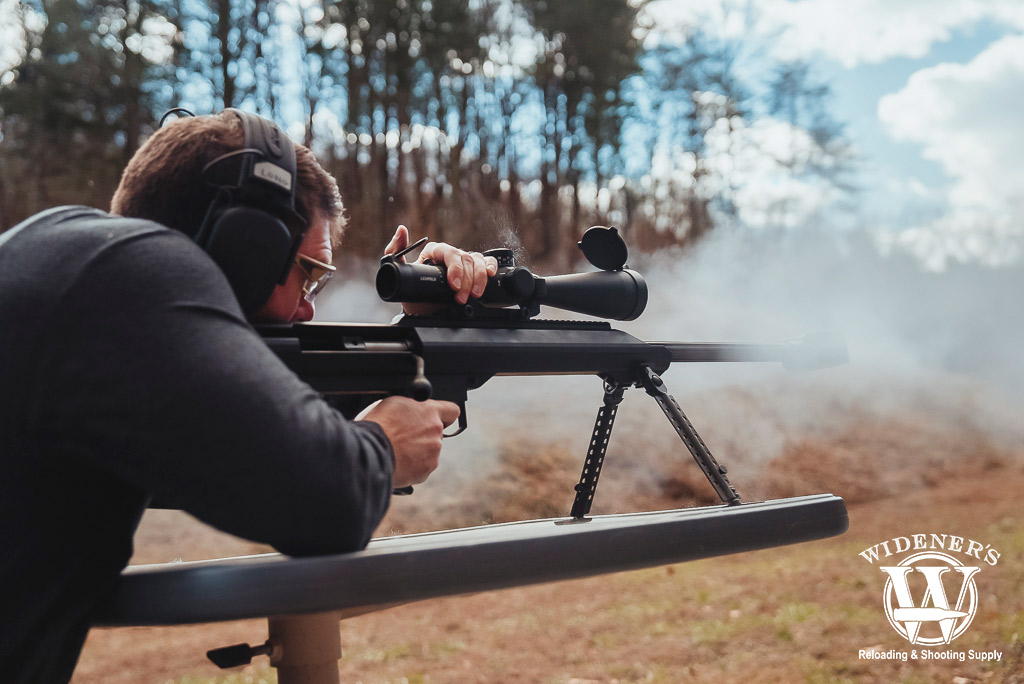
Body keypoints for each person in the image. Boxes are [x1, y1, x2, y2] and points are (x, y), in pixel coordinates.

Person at [0, 109, 497, 683]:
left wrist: (414, 339)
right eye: (308, 274)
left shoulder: (67, 265)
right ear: (245, 247)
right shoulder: (133, 272)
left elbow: (239, 433)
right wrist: (383, 448)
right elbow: (320, 499)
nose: (310, 307)